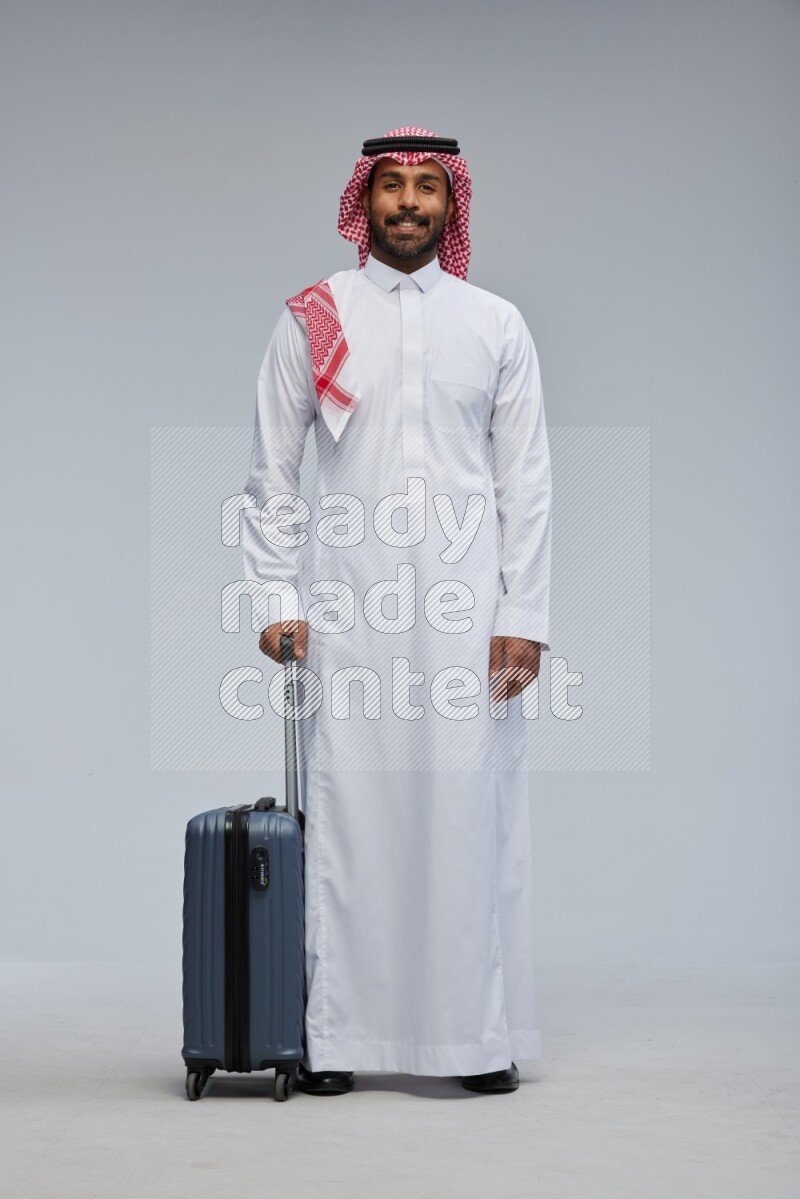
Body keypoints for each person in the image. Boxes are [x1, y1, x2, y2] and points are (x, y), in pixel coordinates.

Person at [241, 127, 552, 1095]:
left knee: (467, 814)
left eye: (427, 188)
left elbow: (526, 483)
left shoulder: (495, 323)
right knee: (351, 816)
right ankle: (338, 1038)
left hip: (468, 618)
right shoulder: (316, 316)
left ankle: (472, 1037)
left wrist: (523, 614)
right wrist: (277, 596)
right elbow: (270, 470)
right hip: (351, 603)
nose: (408, 203)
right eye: (391, 187)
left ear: (450, 206)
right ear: (362, 202)